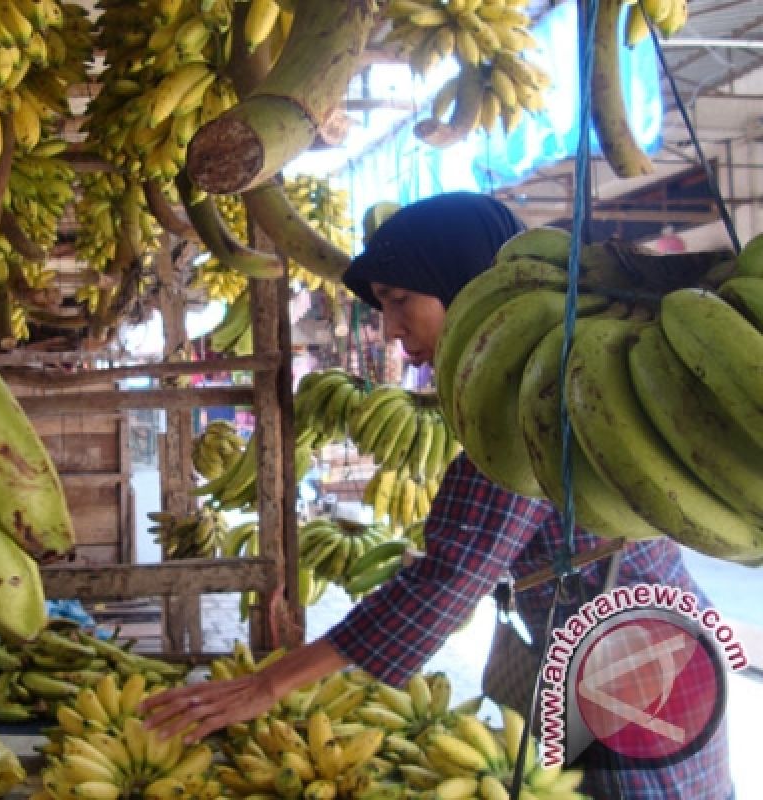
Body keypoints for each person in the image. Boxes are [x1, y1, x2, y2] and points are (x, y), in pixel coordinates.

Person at [140, 192, 734, 800]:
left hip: (638, 673)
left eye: (400, 300)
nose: (390, 329)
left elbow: (449, 578)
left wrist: (270, 686)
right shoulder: (519, 384)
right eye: (380, 307)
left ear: (468, 283)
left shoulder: (535, 396)